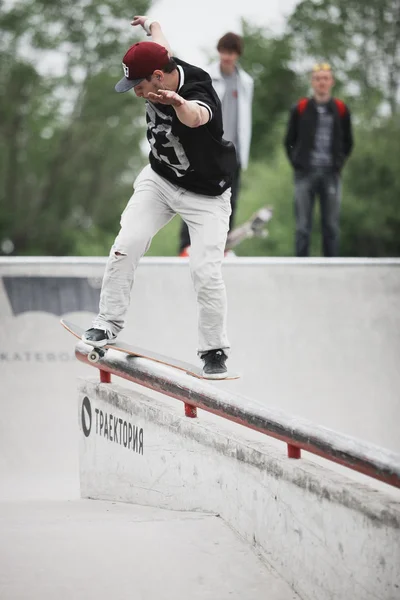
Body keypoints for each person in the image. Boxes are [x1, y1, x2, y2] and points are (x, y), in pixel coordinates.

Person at [82, 15, 237, 379]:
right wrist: (151, 23)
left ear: (159, 76)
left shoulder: (199, 89)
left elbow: (198, 117)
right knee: (126, 243)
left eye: (139, 85)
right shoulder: (162, 58)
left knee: (204, 269)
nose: (137, 92)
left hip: (207, 196)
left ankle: (214, 349)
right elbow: (160, 39)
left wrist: (178, 103)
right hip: (160, 179)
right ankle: (108, 322)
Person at [178, 32, 254, 257]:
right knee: (196, 194)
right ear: (219, 51)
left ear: (237, 54)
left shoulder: (246, 82)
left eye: (231, 53)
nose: (227, 57)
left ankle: (220, 247)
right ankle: (185, 247)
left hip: (234, 151)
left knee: (229, 200)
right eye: (223, 52)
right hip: (210, 150)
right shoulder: (206, 76)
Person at [284, 63, 354, 257]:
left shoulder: (340, 109)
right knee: (302, 227)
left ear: (331, 81)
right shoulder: (300, 108)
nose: (321, 82)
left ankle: (331, 268)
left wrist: (338, 163)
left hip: (331, 174)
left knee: (331, 226)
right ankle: (301, 268)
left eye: (325, 78)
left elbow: (348, 142)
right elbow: (289, 140)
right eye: (317, 79)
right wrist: (298, 164)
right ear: (312, 82)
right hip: (304, 174)